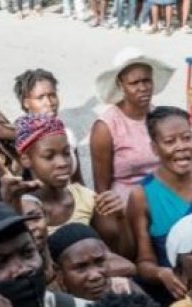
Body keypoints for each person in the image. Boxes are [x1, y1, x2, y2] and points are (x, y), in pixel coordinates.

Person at [128, 106, 192, 304]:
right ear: (155, 148)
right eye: (170, 141)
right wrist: (161, 274)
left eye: (186, 137)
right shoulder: (142, 196)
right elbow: (143, 263)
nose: (181, 146)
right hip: (175, 300)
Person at [16, 113, 129, 256]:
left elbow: (120, 255)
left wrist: (121, 219)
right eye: (49, 156)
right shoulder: (20, 210)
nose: (62, 163)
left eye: (66, 153)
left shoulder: (86, 199)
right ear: (26, 159)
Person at [90, 48, 174, 204]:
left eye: (146, 81)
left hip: (163, 197)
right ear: (121, 85)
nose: (142, 88)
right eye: (134, 83)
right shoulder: (105, 127)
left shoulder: (160, 117)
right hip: (125, 206)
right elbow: (102, 189)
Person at [47, 223, 139, 307]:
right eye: (81, 267)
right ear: (59, 273)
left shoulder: (125, 290)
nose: (95, 275)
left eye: (99, 262)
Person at [13, 69, 83, 184]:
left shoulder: (67, 134)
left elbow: (77, 181)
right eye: (40, 98)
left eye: (52, 95)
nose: (49, 103)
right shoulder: (21, 139)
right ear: (26, 103)